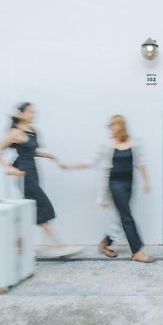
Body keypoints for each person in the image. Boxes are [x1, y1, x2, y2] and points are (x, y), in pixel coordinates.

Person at [62, 114, 154, 263]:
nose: (110, 128)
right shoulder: (107, 145)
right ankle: (136, 251)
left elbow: (141, 162)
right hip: (115, 184)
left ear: (121, 126)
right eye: (110, 126)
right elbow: (92, 162)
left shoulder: (134, 143)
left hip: (129, 184)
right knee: (126, 217)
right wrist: (70, 166)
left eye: (113, 125)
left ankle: (105, 243)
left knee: (121, 216)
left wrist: (146, 182)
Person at [0, 102, 82, 257]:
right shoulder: (15, 132)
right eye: (30, 112)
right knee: (43, 207)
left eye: (34, 111)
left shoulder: (33, 131)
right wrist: (8, 167)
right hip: (23, 174)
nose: (34, 114)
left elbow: (30, 151)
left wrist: (47, 155)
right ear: (21, 114)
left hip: (34, 172)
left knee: (31, 211)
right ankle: (57, 246)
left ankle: (22, 248)